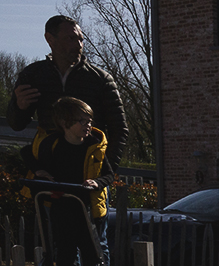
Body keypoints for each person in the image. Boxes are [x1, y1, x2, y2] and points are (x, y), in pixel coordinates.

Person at [21, 96, 115, 266]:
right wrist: (40, 171)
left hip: (87, 210)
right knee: (64, 252)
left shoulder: (93, 146)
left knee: (93, 255)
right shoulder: (52, 145)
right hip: (62, 207)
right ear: (64, 123)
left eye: (89, 120)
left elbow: (109, 175)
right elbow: (27, 154)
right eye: (82, 121)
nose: (87, 125)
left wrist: (97, 182)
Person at [7, 15, 129, 169]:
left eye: (81, 39)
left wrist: (105, 170)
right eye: (71, 38)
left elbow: (119, 129)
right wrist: (19, 107)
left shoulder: (101, 79)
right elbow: (16, 125)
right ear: (50, 39)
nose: (78, 45)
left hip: (88, 168)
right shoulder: (33, 75)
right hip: (49, 168)